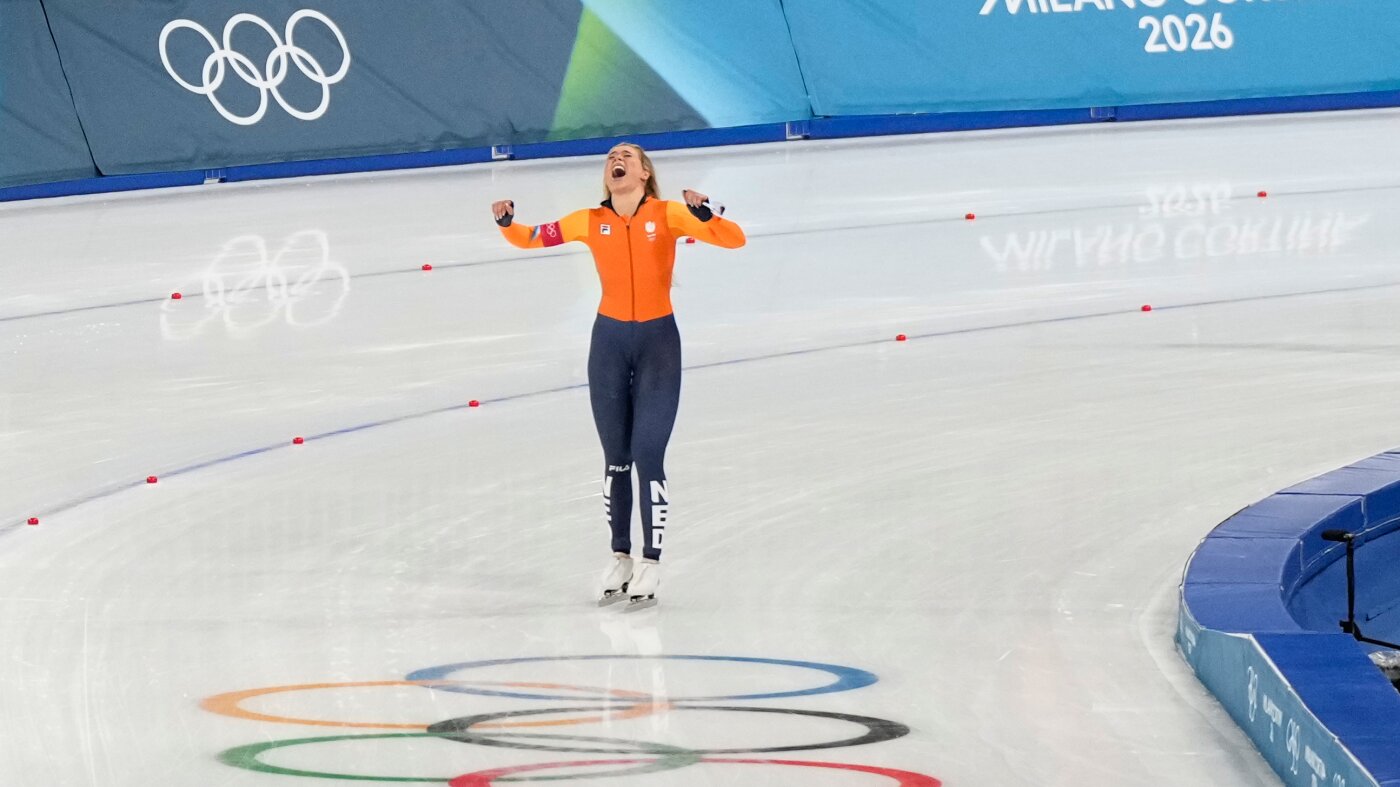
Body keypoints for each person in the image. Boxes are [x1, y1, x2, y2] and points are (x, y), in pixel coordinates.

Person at [492, 143, 745, 608]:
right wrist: (507, 222)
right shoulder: (590, 220)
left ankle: (651, 561)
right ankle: (620, 556)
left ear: (644, 172)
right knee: (616, 458)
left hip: (658, 345)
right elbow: (532, 237)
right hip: (608, 345)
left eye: (626, 155)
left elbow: (734, 239)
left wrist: (706, 213)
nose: (616, 159)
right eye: (611, 155)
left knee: (648, 452)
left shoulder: (669, 214)